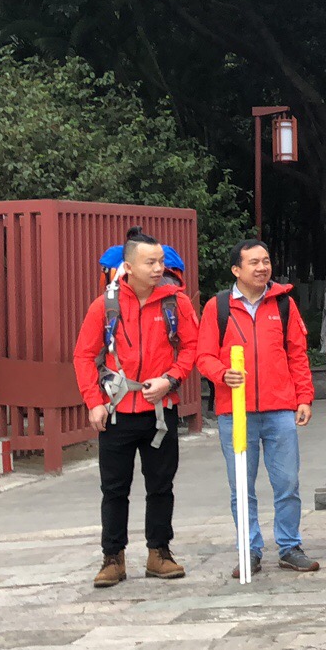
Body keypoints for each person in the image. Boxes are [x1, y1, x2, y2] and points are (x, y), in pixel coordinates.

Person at [73, 227, 197, 587]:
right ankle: (113, 558)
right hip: (116, 411)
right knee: (114, 489)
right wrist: (94, 402)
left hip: (161, 411)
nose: (158, 268)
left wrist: (171, 379)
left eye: (160, 262)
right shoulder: (105, 305)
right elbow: (83, 355)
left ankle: (160, 553)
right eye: (150, 262)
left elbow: (192, 347)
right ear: (127, 267)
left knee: (161, 486)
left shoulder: (176, 303)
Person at [196, 239, 318, 577]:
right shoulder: (218, 307)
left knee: (287, 483)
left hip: (280, 409)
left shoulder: (283, 304)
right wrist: (222, 373)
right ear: (236, 269)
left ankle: (290, 547)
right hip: (235, 411)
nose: (262, 267)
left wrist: (304, 397)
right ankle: (249, 549)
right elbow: (203, 355)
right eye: (254, 262)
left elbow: (297, 354)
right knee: (241, 486)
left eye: (266, 261)